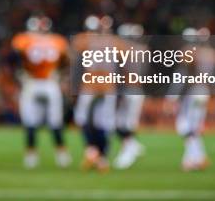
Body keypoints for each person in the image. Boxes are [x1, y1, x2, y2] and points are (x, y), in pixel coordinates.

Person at [11, 15, 71, 169]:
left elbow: (13, 59)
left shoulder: (23, 39)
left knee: (30, 121)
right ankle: (61, 154)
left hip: (31, 83)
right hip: (50, 83)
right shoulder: (57, 41)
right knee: (55, 121)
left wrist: (20, 74)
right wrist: (61, 75)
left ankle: (31, 156)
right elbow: (67, 62)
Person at [72, 15, 119, 172]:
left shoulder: (85, 40)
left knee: (89, 120)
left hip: (93, 86)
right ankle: (99, 156)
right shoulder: (114, 42)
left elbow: (76, 48)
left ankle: (95, 153)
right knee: (102, 123)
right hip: (106, 87)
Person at [166, 27, 215, 171]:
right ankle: (192, 159)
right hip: (203, 91)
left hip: (192, 92)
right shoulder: (210, 53)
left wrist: (172, 97)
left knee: (184, 126)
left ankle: (198, 157)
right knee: (193, 127)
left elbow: (182, 77)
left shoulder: (189, 53)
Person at [113, 23, 146, 170]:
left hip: (127, 90)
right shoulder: (143, 50)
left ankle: (129, 150)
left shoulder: (124, 50)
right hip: (136, 90)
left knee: (122, 123)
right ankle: (132, 146)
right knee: (122, 123)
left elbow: (120, 72)